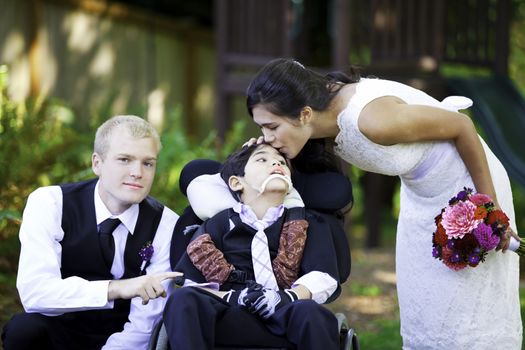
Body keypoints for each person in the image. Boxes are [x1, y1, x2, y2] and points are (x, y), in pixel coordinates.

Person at [241, 58, 522, 349]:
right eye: (263, 129)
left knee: (466, 310)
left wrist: (490, 209)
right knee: (426, 308)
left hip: (468, 184)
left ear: (304, 114)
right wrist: (256, 159)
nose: (268, 137)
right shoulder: (316, 124)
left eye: (271, 127)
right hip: (420, 195)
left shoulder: (373, 121)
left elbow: (462, 126)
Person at [1, 115, 182, 350]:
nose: (138, 172)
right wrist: (117, 288)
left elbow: (145, 324)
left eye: (148, 163)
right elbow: (35, 293)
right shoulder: (51, 203)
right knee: (24, 329)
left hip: (123, 335)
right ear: (97, 163)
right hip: (59, 328)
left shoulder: (166, 223)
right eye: (125, 159)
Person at [163, 143, 341, 350]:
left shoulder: (308, 223)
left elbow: (323, 276)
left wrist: (284, 297)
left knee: (311, 312)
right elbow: (193, 286)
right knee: (182, 300)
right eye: (261, 159)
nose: (276, 162)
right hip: (228, 316)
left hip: (285, 318)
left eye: (282, 162)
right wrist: (234, 297)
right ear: (236, 182)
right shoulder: (216, 225)